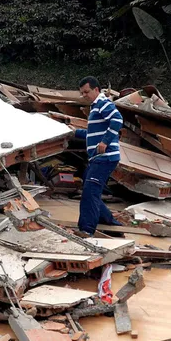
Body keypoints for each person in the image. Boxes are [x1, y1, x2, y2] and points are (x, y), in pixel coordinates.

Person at [75, 76, 124, 237]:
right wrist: (72, 132)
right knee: (91, 190)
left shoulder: (103, 103)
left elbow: (117, 120)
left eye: (86, 92)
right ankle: (108, 221)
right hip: (98, 159)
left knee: (90, 192)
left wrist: (105, 142)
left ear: (96, 89)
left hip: (104, 157)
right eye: (82, 93)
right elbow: (91, 134)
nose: (84, 96)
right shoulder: (95, 107)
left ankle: (86, 230)